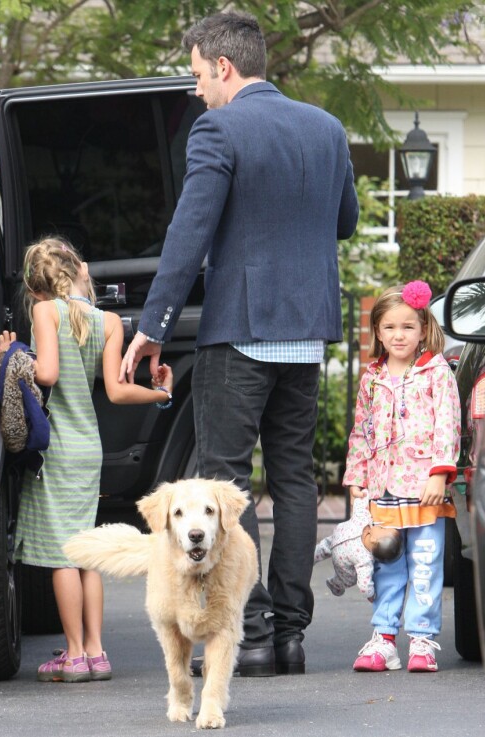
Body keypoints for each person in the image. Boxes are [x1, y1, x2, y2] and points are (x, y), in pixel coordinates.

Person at [120, 12, 359, 676]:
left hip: (241, 333)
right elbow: (344, 221)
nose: (196, 90)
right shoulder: (327, 128)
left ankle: (247, 632)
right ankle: (288, 636)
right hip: (307, 333)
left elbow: (188, 233)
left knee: (225, 479)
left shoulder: (217, 129)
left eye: (197, 75)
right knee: (294, 480)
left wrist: (151, 326)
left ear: (223, 67)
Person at [0, 237, 174, 683]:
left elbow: (48, 373)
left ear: (37, 287)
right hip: (89, 448)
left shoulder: (44, 312)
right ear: (80, 271)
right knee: (88, 553)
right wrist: (162, 393)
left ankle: (73, 654)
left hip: (57, 448)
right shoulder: (108, 320)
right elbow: (116, 391)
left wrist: (9, 356)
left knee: (63, 555)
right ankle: (97, 651)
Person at [343, 280, 461, 673]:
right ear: (377, 331)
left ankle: (423, 640)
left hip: (425, 489)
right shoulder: (371, 378)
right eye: (390, 327)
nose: (399, 335)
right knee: (387, 564)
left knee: (426, 564)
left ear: (424, 328)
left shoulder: (436, 372)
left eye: (408, 327)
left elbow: (448, 424)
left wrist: (439, 474)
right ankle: (385, 640)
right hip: (384, 488)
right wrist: (357, 475)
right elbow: (361, 430)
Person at [314, 496, 403, 601]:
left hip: (342, 562)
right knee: (321, 549)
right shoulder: (365, 520)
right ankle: (310, 558)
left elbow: (365, 584)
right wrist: (364, 495)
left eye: (382, 528)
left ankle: (336, 584)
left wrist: (370, 594)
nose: (382, 525)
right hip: (336, 538)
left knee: (347, 578)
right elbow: (360, 506)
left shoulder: (365, 560)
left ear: (374, 539)